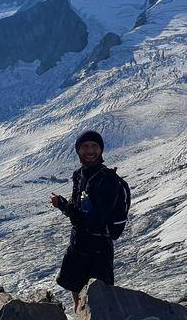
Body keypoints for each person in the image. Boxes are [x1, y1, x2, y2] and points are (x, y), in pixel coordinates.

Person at [50, 129, 130, 310]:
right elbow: (78, 207)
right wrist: (67, 206)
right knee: (76, 291)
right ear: (78, 150)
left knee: (99, 304)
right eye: (85, 146)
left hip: (98, 250)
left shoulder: (108, 180)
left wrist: (63, 205)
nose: (90, 151)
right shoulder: (79, 175)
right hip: (78, 243)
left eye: (94, 146)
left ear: (101, 150)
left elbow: (96, 220)